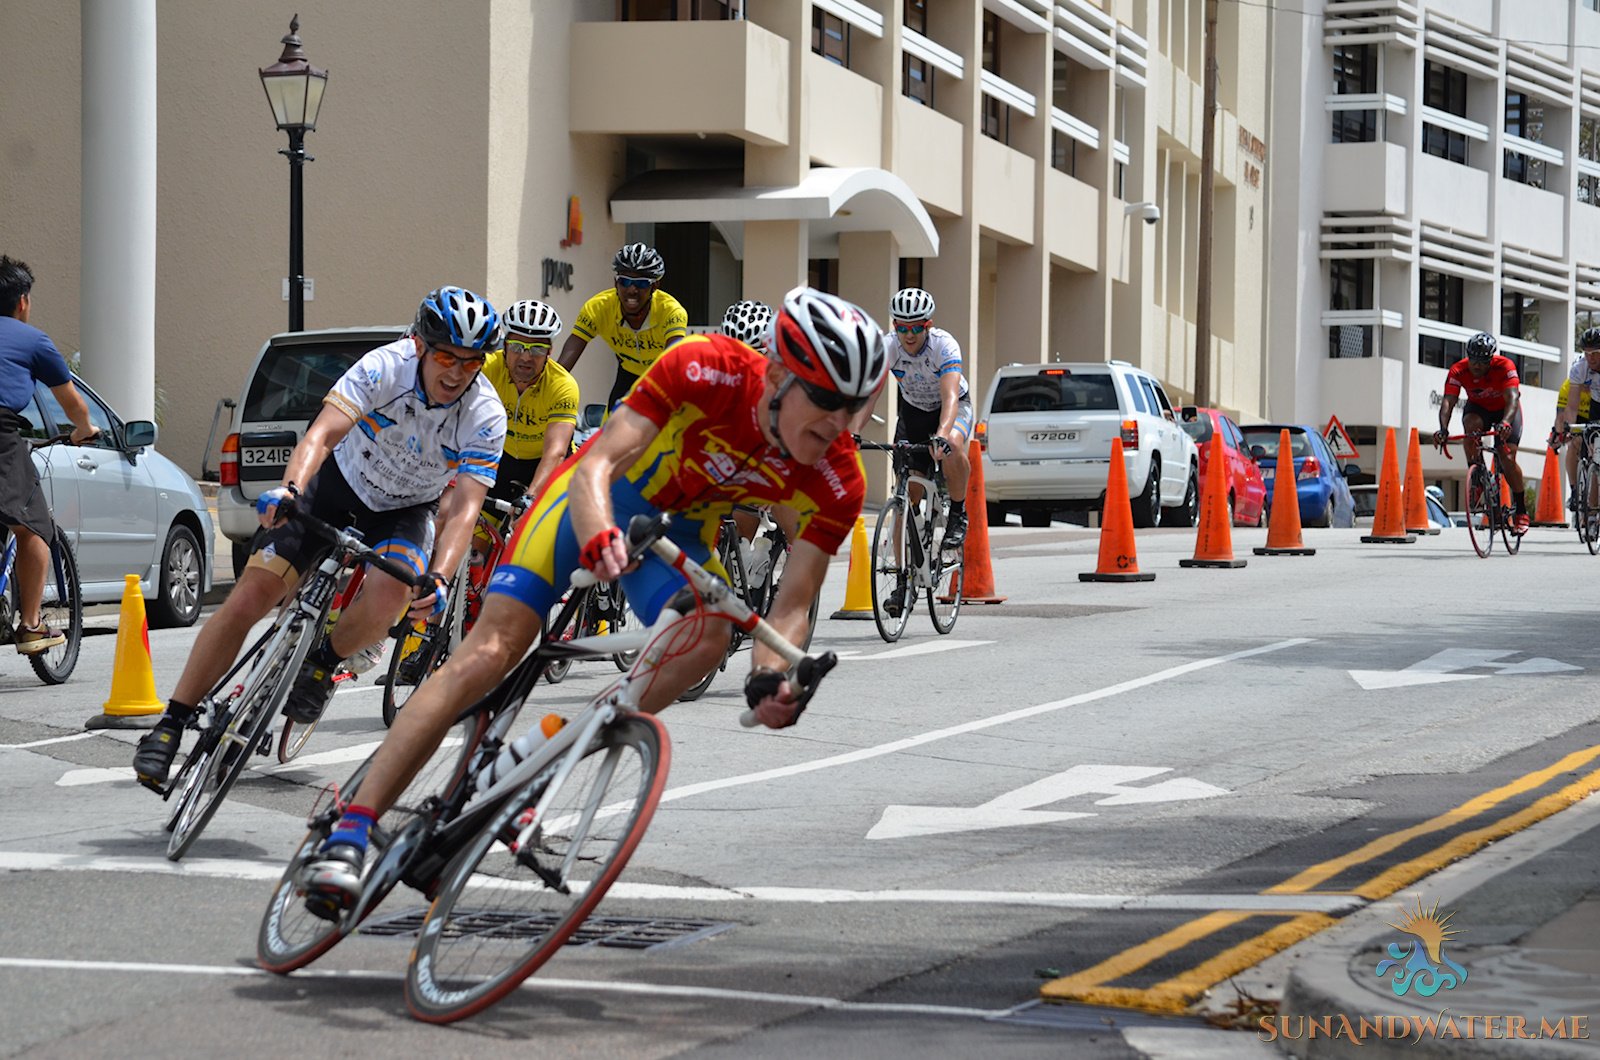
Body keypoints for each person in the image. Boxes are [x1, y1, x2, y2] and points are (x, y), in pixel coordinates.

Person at [298, 286, 887, 915]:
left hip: (673, 537)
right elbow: (597, 464)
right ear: (775, 375)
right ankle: (351, 830)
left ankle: (546, 752)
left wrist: (771, 677)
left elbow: (792, 604)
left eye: (856, 408)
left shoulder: (839, 476)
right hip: (595, 500)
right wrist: (601, 529)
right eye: (825, 401)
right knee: (489, 654)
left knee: (711, 635)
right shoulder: (706, 366)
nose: (839, 424)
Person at [132, 287, 508, 789]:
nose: (457, 373)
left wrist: (440, 576)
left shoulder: (486, 414)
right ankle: (171, 723)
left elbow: (465, 505)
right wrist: (289, 490)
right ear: (420, 346)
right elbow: (321, 435)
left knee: (393, 594)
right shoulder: (384, 368)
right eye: (446, 357)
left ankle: (322, 663)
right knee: (248, 599)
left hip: (404, 510)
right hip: (334, 487)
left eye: (471, 362)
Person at [0, 256, 99, 653]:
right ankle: (30, 624)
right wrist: (84, 430)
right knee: (34, 527)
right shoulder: (32, 340)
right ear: (22, 301)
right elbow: (73, 404)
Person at [882, 287, 972, 552]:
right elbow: (869, 394)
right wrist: (850, 432)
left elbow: (951, 396)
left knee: (953, 445)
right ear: (895, 326)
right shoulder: (888, 346)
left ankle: (957, 513)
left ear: (928, 325)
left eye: (916, 328)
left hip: (951, 409)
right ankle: (901, 582)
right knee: (904, 498)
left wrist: (943, 433)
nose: (909, 335)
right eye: (902, 328)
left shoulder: (944, 346)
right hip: (914, 412)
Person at [557, 242, 687, 410]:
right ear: (615, 283)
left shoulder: (671, 311)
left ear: (655, 286)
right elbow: (572, 349)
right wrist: (551, 383)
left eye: (641, 284)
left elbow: (672, 361)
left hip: (661, 377)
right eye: (624, 281)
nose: (631, 289)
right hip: (627, 374)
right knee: (610, 427)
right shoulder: (598, 308)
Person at [481, 299, 578, 503]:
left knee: (538, 531)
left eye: (537, 350)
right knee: (478, 533)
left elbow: (555, 451)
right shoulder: (486, 369)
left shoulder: (562, 385)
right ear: (504, 346)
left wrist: (531, 497)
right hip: (503, 459)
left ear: (550, 352)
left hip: (548, 463)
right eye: (517, 347)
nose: (526, 357)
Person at [1433, 331, 1529, 533]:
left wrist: (1505, 422)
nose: (1476, 366)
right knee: (1470, 428)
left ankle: (1521, 509)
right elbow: (1448, 401)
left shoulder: (1505, 366)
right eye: (1473, 361)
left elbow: (1512, 398)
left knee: (1507, 457)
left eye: (1482, 362)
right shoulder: (1458, 370)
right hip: (1479, 409)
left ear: (1491, 359)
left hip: (1505, 410)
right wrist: (1443, 428)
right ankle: (1478, 478)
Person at [1552, 327, 1600, 511]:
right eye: (1587, 353)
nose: (1591, 358)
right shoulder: (1580, 369)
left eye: (1595, 353)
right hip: (1595, 406)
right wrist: (1568, 429)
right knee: (1589, 449)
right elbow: (1570, 407)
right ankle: (1584, 501)